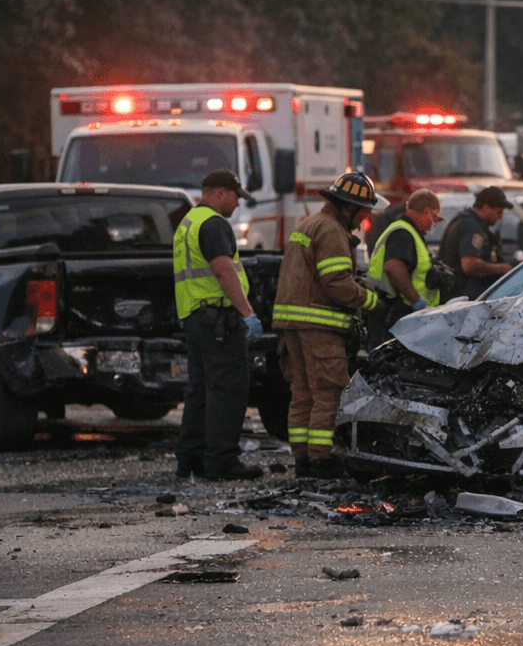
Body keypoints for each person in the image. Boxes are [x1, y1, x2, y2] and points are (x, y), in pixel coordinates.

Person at [273, 171, 382, 479]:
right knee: (327, 392)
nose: (363, 219)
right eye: (363, 212)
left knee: (302, 391)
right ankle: (321, 459)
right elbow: (337, 284)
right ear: (348, 207)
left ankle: (303, 460)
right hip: (318, 325)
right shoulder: (332, 230)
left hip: (292, 324)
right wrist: (371, 300)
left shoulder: (309, 224)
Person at [171, 169, 265, 481]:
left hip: (197, 317)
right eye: (236, 196)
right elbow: (224, 271)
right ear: (221, 193)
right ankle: (222, 461)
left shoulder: (188, 223)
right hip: (219, 320)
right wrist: (247, 313)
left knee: (200, 390)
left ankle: (191, 459)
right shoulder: (213, 224)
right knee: (229, 389)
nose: (238, 204)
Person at [366, 188, 442, 342]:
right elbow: (393, 267)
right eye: (434, 216)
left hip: (394, 313)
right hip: (395, 314)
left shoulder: (406, 231)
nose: (433, 223)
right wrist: (416, 301)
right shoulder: (403, 234)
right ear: (426, 211)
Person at [438, 186, 514, 299]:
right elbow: (469, 265)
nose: (500, 217)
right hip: (461, 296)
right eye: (498, 212)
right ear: (486, 208)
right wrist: (502, 268)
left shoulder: (466, 221)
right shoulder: (472, 227)